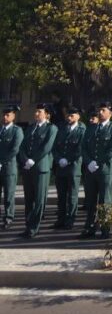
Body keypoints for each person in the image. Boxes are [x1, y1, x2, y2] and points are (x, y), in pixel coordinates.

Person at [80, 101, 112, 239]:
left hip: (105, 170)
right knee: (90, 200)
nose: (100, 112)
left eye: (103, 110)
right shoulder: (91, 128)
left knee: (105, 200)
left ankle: (105, 229)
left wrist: (97, 162)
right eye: (100, 110)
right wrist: (89, 162)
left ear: (110, 113)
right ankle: (89, 227)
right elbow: (84, 147)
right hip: (91, 170)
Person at [19, 102, 58, 238]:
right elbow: (22, 146)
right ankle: (28, 226)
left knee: (39, 199)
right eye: (36, 112)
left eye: (39, 112)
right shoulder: (30, 128)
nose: (36, 114)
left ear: (47, 114)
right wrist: (25, 160)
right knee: (29, 199)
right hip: (28, 167)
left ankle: (34, 227)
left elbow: (46, 147)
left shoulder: (51, 128)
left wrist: (33, 160)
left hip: (41, 167)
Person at [52, 105, 86, 230]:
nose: (69, 117)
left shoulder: (82, 130)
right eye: (68, 115)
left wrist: (68, 159)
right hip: (61, 167)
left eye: (72, 115)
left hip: (73, 167)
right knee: (61, 195)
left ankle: (70, 220)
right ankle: (60, 219)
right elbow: (55, 147)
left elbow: (80, 149)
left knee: (72, 195)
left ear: (78, 116)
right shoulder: (62, 129)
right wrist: (59, 159)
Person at [0, 104, 23, 230]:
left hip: (9, 168)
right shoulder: (0, 129)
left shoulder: (17, 131)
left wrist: (1, 162)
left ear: (13, 116)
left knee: (9, 194)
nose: (5, 117)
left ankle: (8, 217)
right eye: (4, 114)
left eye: (8, 115)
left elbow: (15, 149)